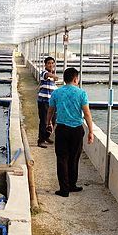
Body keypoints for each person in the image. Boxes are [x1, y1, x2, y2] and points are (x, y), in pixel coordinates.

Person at [46, 67, 94, 197]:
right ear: (75, 79)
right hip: (77, 130)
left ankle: (64, 189)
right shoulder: (81, 93)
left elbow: (50, 110)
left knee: (62, 159)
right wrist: (90, 131)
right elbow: (87, 113)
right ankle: (72, 185)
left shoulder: (57, 93)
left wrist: (48, 123)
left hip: (61, 129)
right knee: (74, 158)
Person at [37, 56, 58, 148]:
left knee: (53, 120)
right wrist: (54, 76)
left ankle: (46, 136)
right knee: (44, 121)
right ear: (45, 65)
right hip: (44, 101)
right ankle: (40, 140)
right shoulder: (44, 73)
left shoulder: (52, 75)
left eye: (52, 63)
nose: (51, 65)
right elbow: (47, 75)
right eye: (49, 63)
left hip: (51, 102)